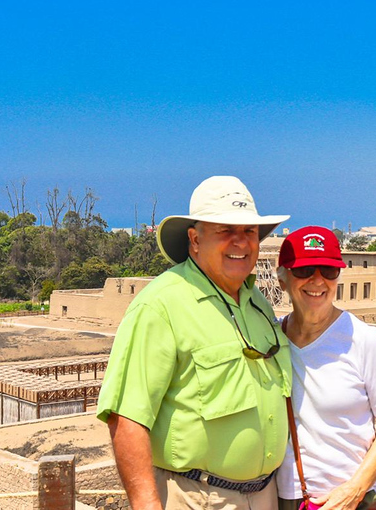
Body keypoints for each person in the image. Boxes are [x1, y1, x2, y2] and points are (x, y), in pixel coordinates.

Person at [96, 176, 292, 510]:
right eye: (225, 230)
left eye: (248, 232)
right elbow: (126, 418)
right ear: (194, 239)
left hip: (264, 495)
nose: (240, 243)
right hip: (198, 497)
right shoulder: (161, 305)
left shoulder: (257, 301)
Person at [275, 226, 376, 510]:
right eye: (305, 269)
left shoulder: (363, 339)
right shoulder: (271, 338)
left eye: (329, 270)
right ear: (282, 278)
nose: (317, 280)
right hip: (288, 495)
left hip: (355, 498)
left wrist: (353, 490)